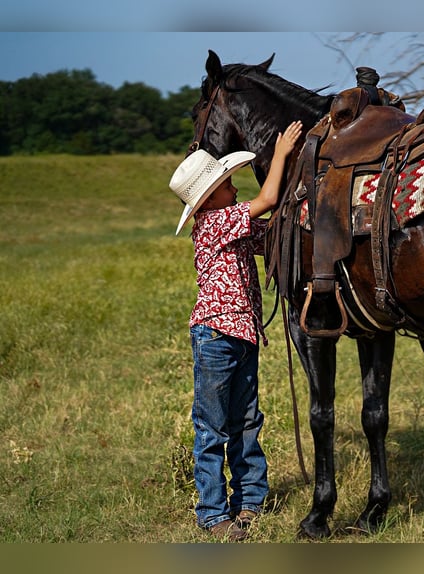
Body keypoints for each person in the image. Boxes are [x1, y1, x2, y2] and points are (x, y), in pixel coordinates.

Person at [168, 120, 303, 541]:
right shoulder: (213, 224)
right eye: (227, 185)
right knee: (212, 426)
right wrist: (278, 156)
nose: (234, 188)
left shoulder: (231, 225)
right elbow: (267, 198)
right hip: (216, 338)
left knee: (246, 420)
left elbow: (276, 228)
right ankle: (213, 512)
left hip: (241, 337)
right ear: (209, 199)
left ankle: (249, 502)